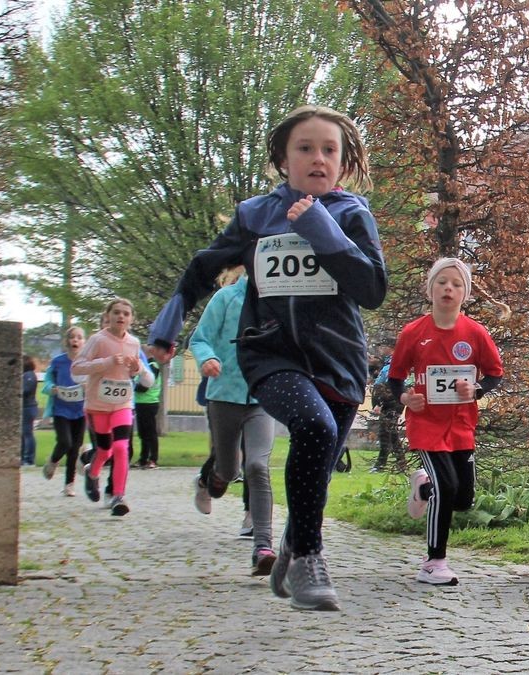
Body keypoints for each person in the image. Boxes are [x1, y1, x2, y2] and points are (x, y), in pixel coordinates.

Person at [146, 104, 385, 611]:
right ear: (282, 158)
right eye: (305, 148)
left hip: (338, 359)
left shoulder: (352, 214)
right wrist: (169, 322)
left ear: (343, 162)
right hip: (269, 353)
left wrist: (325, 231)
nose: (318, 159)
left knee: (316, 468)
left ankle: (291, 549)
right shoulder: (256, 214)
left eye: (329, 150)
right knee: (315, 429)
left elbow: (372, 289)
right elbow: (202, 266)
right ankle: (308, 559)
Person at [388, 258, 504, 586]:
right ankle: (434, 562)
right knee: (447, 487)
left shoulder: (475, 333)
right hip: (425, 423)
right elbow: (395, 378)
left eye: (456, 283)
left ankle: (422, 486)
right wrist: (405, 397)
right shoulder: (413, 332)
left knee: (463, 498)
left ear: (464, 293)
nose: (448, 288)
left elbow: (495, 374)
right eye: (441, 282)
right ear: (431, 289)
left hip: (461, 425)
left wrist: (477, 388)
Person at [189, 265, 280, 575]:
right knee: (228, 470)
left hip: (262, 397)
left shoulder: (278, 300)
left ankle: (263, 547)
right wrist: (207, 359)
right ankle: (207, 480)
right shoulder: (226, 298)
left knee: (257, 465)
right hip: (223, 395)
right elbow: (200, 339)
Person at [72, 298, 155, 517]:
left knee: (121, 448)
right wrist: (106, 363)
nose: (121, 317)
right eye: (116, 312)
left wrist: (137, 369)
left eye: (126, 314)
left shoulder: (134, 343)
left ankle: (118, 496)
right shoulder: (97, 340)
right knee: (105, 450)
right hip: (98, 404)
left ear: (131, 319)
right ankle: (93, 473)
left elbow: (141, 375)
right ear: (107, 316)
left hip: (123, 403)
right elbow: (78, 367)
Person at [42, 326, 88, 496]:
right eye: (72, 337)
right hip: (61, 409)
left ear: (84, 342)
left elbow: (95, 381)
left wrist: (87, 386)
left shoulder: (87, 363)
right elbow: (47, 381)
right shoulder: (58, 362)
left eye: (79, 337)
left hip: (80, 410)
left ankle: (69, 484)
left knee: (75, 448)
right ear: (67, 341)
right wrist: (51, 388)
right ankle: (53, 461)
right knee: (65, 442)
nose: (75, 340)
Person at [369, 340, 405, 473]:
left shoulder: (394, 363)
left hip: (391, 402)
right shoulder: (388, 362)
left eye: (382, 346)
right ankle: (401, 463)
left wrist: (379, 402)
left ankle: (380, 464)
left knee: (385, 432)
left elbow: (386, 384)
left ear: (390, 348)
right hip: (392, 402)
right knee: (392, 433)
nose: (380, 350)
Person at [133, 348, 163, 469]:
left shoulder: (152, 366)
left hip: (150, 402)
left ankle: (153, 458)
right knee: (142, 433)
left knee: (150, 433)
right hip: (140, 402)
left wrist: (131, 386)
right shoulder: (142, 367)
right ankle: (143, 458)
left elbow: (144, 386)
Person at [20, 356, 40, 466]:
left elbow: (25, 390)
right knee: (24, 434)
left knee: (27, 433)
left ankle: (29, 458)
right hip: (26, 407)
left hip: (28, 407)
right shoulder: (27, 375)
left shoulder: (29, 375)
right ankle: (23, 457)